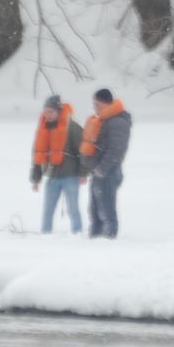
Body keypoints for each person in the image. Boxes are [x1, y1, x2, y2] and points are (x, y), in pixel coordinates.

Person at [80, 88, 132, 239]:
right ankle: (95, 237)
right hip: (97, 171)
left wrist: (102, 168)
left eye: (96, 103)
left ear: (104, 103)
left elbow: (117, 150)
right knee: (95, 209)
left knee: (107, 210)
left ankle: (109, 239)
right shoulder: (103, 120)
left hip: (109, 172)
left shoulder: (117, 122)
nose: (94, 106)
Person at [28, 94, 85, 235]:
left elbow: (83, 151)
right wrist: (36, 179)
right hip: (52, 176)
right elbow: (38, 154)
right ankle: (45, 234)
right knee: (48, 209)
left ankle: (77, 233)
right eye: (46, 111)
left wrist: (83, 173)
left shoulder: (72, 127)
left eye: (51, 111)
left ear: (58, 111)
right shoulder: (43, 129)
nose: (48, 115)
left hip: (70, 176)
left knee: (73, 209)